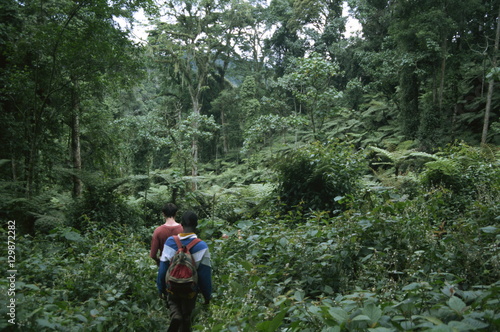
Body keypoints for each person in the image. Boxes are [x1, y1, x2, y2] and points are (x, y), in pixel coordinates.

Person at [157, 211, 212, 332]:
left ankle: (175, 315)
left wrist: (160, 288)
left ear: (181, 224)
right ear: (196, 225)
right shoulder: (202, 246)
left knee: (173, 302)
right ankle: (184, 321)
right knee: (187, 314)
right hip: (190, 289)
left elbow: (163, 268)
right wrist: (207, 295)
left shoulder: (170, 241)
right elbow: (204, 275)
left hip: (172, 285)